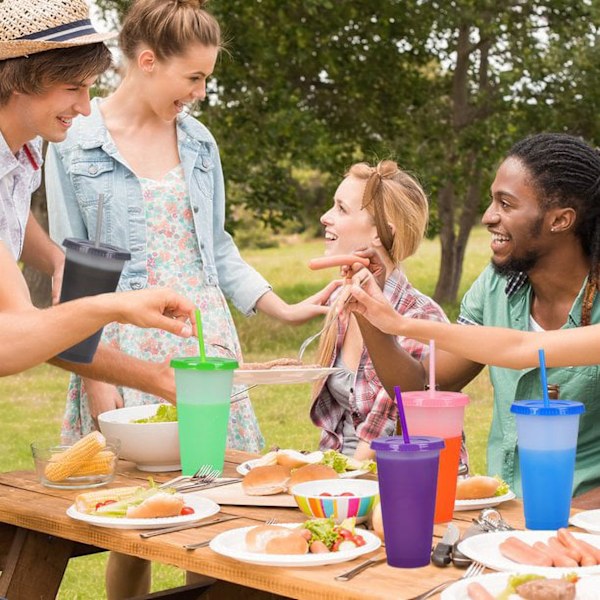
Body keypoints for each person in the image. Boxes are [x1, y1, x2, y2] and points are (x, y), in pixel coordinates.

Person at [44, 1, 334, 596]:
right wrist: (103, 397)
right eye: (194, 78)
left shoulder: (199, 142)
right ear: (148, 62)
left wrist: (284, 307)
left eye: (207, 79)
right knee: (135, 521)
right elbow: (73, 273)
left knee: (224, 507)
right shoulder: (73, 141)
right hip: (119, 338)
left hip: (204, 343)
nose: (200, 93)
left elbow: (217, 247)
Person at [347, 132, 600, 498]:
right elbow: (422, 387)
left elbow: (522, 348)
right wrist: (369, 308)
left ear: (560, 220)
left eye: (506, 204)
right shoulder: (494, 288)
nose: (488, 217)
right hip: (505, 511)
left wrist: (400, 323)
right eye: (491, 200)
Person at [0, 0, 198, 387]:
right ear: (21, 81)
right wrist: (116, 306)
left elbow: (11, 219)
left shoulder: (19, 159)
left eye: (89, 89)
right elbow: (11, 339)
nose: (85, 109)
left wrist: (56, 259)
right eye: (73, 88)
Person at [309, 159, 448, 460]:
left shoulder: (419, 317)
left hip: (395, 480)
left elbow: (379, 438)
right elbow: (336, 428)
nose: (325, 217)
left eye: (341, 209)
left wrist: (330, 487)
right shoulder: (342, 304)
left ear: (381, 232)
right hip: (341, 477)